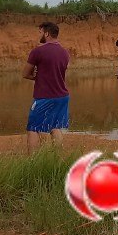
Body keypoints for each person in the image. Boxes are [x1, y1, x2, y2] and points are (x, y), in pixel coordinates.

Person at [23, 22, 70, 153]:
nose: (39, 35)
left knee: (33, 128)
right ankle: (57, 158)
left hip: (44, 96)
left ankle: (32, 161)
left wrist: (35, 77)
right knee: (55, 127)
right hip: (62, 96)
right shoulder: (65, 52)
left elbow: (25, 74)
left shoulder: (37, 51)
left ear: (47, 33)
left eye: (40, 32)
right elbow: (56, 72)